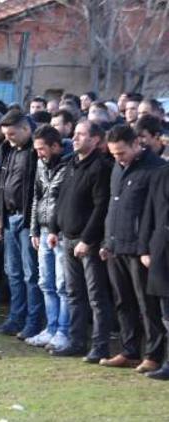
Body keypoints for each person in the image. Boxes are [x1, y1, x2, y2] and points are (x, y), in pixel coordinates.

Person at [99, 125, 165, 373]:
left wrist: (147, 249)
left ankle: (154, 354)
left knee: (146, 305)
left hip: (141, 250)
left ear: (137, 143)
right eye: (114, 154)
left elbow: (155, 214)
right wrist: (107, 241)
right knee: (123, 301)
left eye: (122, 153)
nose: (118, 158)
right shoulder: (118, 168)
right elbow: (112, 207)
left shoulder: (156, 169)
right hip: (116, 245)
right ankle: (129, 350)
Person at [49, 120, 114, 363]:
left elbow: (101, 207)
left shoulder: (101, 167)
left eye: (81, 134)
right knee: (74, 293)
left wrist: (87, 240)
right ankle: (77, 341)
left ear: (96, 140)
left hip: (88, 242)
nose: (74, 138)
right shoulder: (71, 164)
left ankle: (100, 346)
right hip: (66, 237)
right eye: (74, 134)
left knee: (96, 296)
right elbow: (61, 198)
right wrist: (54, 228)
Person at [0, 110, 43, 340]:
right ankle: (15, 317)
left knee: (30, 274)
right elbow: (0, 185)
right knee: (12, 272)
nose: (8, 138)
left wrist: (33, 223)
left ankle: (33, 321)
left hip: (27, 218)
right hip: (8, 217)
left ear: (25, 129)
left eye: (12, 134)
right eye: (6, 134)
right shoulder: (7, 149)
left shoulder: (34, 151)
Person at [28, 125, 72, 350]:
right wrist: (34, 229)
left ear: (56, 146)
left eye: (42, 149)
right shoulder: (39, 163)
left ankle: (64, 331)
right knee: (46, 283)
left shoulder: (69, 165)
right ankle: (51, 328)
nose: (39, 154)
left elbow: (63, 200)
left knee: (63, 284)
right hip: (43, 231)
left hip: (62, 232)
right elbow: (37, 196)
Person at [138, 164, 169, 379]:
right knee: (166, 312)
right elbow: (149, 211)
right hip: (162, 250)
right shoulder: (160, 173)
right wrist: (144, 248)